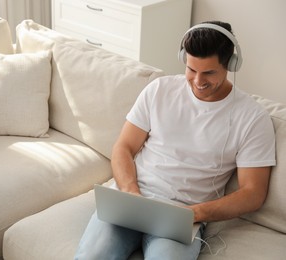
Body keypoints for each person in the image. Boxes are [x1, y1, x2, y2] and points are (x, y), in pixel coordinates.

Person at [74, 21, 276, 260]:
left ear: (231, 64)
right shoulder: (159, 90)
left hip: (185, 215)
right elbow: (124, 147)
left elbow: (252, 193)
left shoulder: (252, 118)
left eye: (209, 73)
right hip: (131, 200)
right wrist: (130, 192)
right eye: (191, 69)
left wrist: (194, 214)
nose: (198, 81)